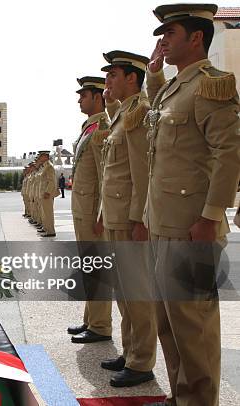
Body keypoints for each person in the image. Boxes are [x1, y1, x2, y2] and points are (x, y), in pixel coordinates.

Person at [144, 4, 240, 405]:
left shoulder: (211, 85)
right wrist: (153, 78)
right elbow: (157, 121)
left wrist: (210, 217)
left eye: (170, 33)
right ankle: (181, 394)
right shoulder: (173, 87)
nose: (162, 41)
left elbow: (229, 154)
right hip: (164, 223)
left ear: (196, 37)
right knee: (169, 322)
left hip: (192, 226)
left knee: (194, 324)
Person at [97, 51, 157, 387]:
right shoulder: (123, 114)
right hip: (116, 216)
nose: (107, 82)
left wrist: (139, 219)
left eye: (113, 75)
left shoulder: (139, 113)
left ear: (132, 78)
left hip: (129, 218)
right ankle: (130, 350)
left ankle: (142, 361)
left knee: (137, 292)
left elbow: (141, 173)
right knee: (123, 290)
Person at [67, 76, 113, 347]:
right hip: (83, 208)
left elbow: (105, 173)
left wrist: (101, 215)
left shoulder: (103, 126)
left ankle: (100, 325)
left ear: (97, 97)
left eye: (84, 95)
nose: (79, 99)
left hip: (92, 210)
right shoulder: (89, 126)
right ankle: (91, 318)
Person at [36, 151, 59, 237]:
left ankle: (51, 231)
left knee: (48, 213)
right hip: (43, 194)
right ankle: (46, 229)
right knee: (45, 213)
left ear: (46, 156)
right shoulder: (45, 166)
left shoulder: (49, 166)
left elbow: (52, 181)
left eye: (41, 156)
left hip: (47, 195)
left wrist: (47, 192)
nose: (39, 158)